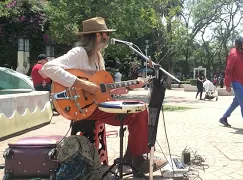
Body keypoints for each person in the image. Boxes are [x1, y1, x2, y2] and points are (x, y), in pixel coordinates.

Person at [41, 17, 167, 173]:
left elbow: (102, 91)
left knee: (138, 108)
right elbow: (47, 68)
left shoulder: (98, 58)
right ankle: (137, 160)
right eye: (105, 33)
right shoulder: (79, 53)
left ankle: (131, 158)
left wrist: (129, 85)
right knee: (139, 112)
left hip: (96, 105)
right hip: (82, 107)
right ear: (98, 35)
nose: (108, 37)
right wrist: (82, 84)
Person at [219, 32, 243, 133]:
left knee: (236, 102)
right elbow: (228, 70)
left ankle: (224, 118)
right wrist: (227, 84)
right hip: (236, 82)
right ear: (239, 43)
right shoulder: (233, 54)